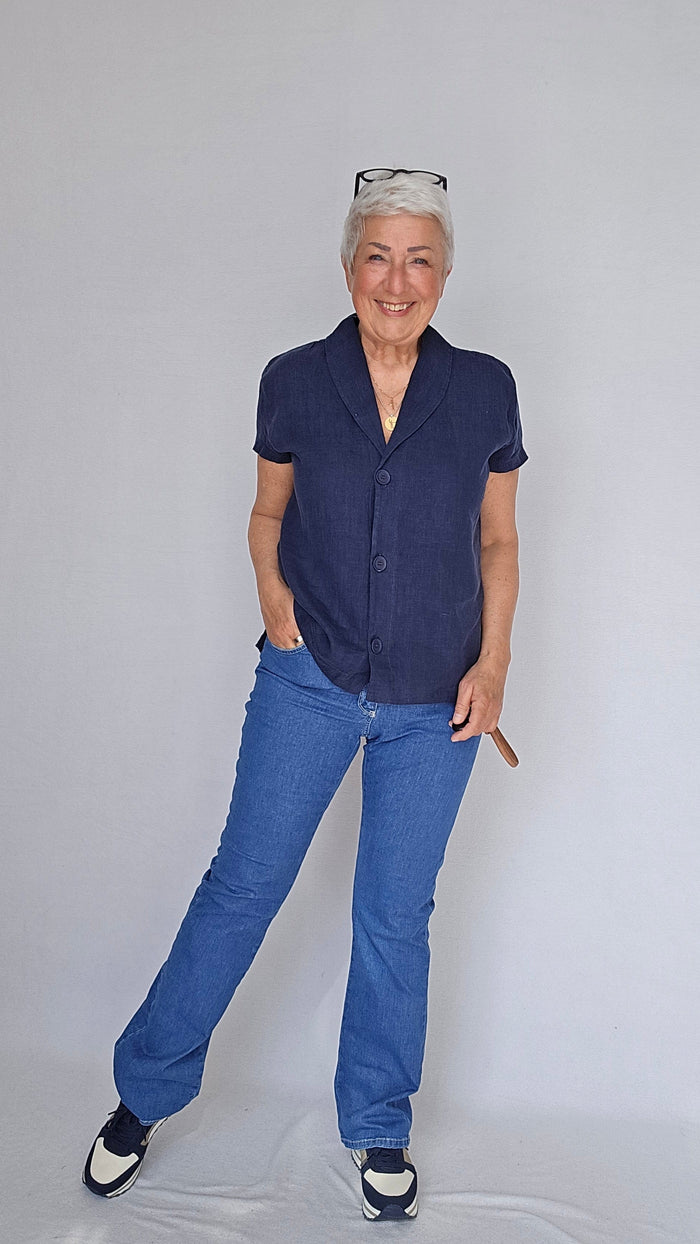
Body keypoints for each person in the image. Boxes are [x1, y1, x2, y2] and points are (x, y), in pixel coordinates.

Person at [82, 167, 528, 1221]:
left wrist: (494, 663)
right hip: (309, 676)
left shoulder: (486, 389)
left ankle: (377, 1122)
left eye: (419, 259)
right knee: (242, 887)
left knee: (394, 916)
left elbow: (499, 539)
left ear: (445, 274)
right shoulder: (291, 379)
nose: (397, 280)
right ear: (347, 266)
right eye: (378, 256)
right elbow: (266, 513)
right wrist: (273, 599)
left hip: (436, 700)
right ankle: (142, 1096)